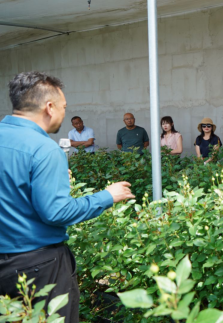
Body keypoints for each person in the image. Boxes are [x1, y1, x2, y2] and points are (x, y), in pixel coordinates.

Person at [0, 71, 134, 322]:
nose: (64, 112)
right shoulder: (43, 148)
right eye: (63, 107)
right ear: (49, 107)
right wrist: (106, 196)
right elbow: (56, 212)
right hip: (38, 267)